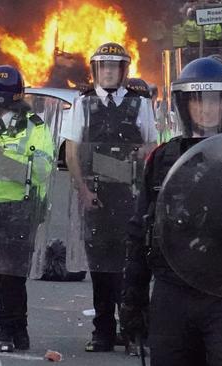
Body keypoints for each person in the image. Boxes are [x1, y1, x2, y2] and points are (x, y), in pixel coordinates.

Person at [127, 56, 222, 365]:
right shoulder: (163, 159)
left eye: (215, 101)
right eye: (197, 101)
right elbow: (140, 231)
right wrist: (132, 300)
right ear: (184, 105)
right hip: (172, 293)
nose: (206, 109)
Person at [62, 42, 157, 353]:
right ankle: (102, 331)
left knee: (132, 266)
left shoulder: (140, 104)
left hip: (130, 197)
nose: (108, 72)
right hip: (97, 198)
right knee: (101, 268)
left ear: (123, 71)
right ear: (95, 71)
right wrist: (83, 191)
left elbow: (151, 148)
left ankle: (133, 332)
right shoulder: (82, 104)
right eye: (103, 66)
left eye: (114, 67)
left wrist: (143, 190)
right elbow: (72, 150)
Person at [0, 65, 55, 353]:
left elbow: (42, 167)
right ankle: (20, 330)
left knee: (12, 275)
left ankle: (4, 329)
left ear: (3, 97)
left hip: (22, 209)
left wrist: (1, 164)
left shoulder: (35, 126)